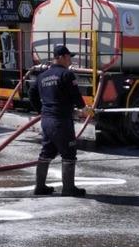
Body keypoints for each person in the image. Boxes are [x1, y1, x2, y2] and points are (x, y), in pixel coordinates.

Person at [28, 45, 93, 197]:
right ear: (62, 57)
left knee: (47, 152)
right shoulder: (66, 74)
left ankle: (40, 187)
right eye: (69, 57)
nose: (71, 60)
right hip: (61, 122)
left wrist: (41, 110)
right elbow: (75, 95)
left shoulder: (42, 76)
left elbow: (31, 92)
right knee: (69, 153)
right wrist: (84, 108)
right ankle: (69, 189)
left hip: (47, 120)